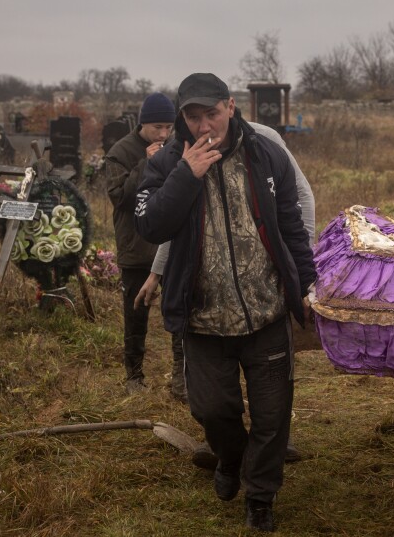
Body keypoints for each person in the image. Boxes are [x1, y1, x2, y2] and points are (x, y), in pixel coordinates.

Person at [134, 73, 316, 532]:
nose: (202, 125)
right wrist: (186, 176)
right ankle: (230, 458)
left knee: (273, 415)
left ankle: (260, 497)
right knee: (213, 411)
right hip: (204, 318)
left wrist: (308, 286)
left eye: (210, 113)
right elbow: (151, 226)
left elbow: (292, 225)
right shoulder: (168, 162)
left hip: (266, 311)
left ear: (231, 107)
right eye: (192, 117)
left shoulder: (265, 152)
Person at [104, 92, 181, 396]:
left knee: (178, 311)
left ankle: (181, 376)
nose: (163, 134)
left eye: (168, 128)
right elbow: (119, 197)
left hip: (173, 244)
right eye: (157, 128)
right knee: (136, 314)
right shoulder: (120, 152)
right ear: (142, 125)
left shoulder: (176, 147)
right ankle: (134, 377)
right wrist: (145, 165)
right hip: (136, 246)